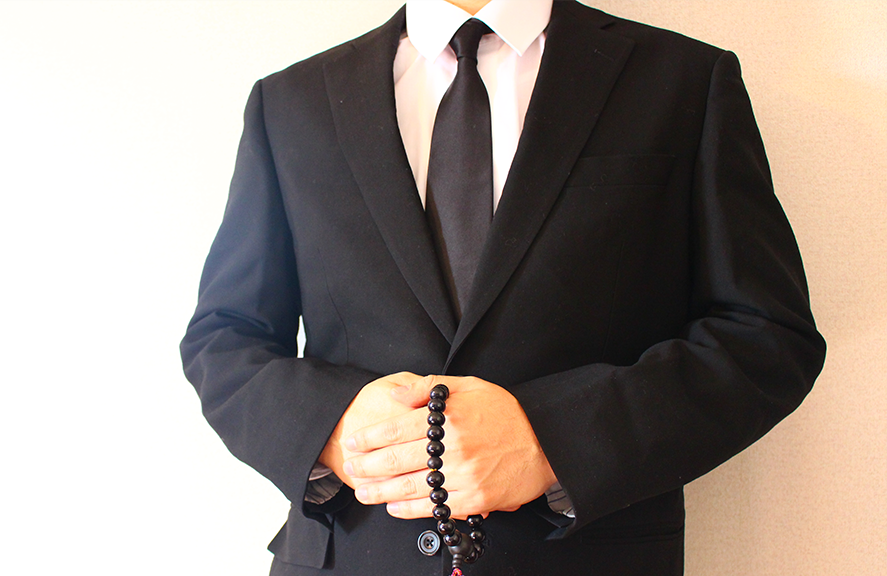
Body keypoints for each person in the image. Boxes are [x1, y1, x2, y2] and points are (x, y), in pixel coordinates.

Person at [180, 0, 826, 574]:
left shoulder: (684, 81)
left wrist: (553, 442)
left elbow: (768, 336)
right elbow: (225, 340)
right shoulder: (290, 103)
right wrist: (336, 429)